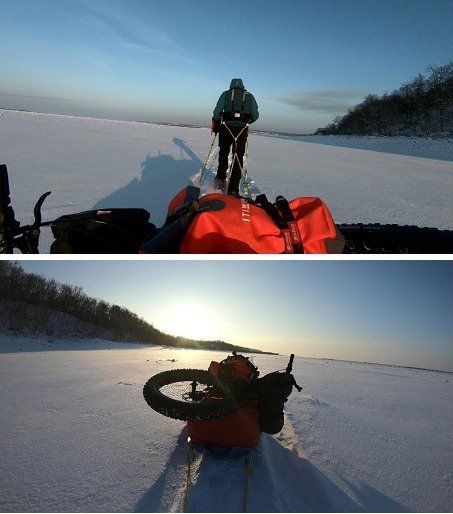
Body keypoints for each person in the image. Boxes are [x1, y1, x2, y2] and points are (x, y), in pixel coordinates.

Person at [211, 78, 259, 196]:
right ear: (242, 86)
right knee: (238, 156)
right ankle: (233, 187)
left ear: (231, 85)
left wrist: (216, 121)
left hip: (226, 128)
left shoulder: (226, 94)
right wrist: (248, 120)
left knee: (223, 152)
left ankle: (220, 180)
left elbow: (217, 111)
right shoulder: (249, 96)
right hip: (242, 130)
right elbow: (255, 114)